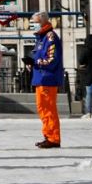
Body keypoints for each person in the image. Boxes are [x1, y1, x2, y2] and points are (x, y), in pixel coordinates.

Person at [30, 12, 64, 148]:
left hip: (47, 77)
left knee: (48, 108)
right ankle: (48, 134)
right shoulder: (41, 38)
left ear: (43, 22)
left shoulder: (50, 37)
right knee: (42, 108)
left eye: (35, 22)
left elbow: (52, 59)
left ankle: (53, 138)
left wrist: (37, 62)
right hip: (40, 77)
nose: (32, 24)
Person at [77, 31, 92, 120]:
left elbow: (81, 60)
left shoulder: (86, 50)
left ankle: (88, 112)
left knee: (89, 94)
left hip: (89, 74)